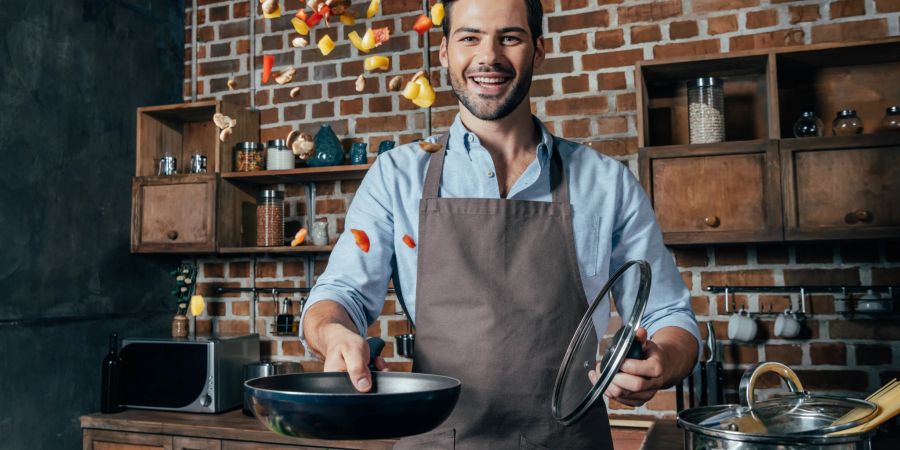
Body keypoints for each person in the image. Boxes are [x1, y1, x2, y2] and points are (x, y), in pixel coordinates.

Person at [300, 0, 700, 447]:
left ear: (540, 51)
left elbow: (670, 315)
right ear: (444, 53)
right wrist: (333, 333)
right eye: (469, 37)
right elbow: (340, 295)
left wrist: (663, 360)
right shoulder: (397, 176)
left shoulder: (606, 182)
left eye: (509, 37)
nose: (488, 56)